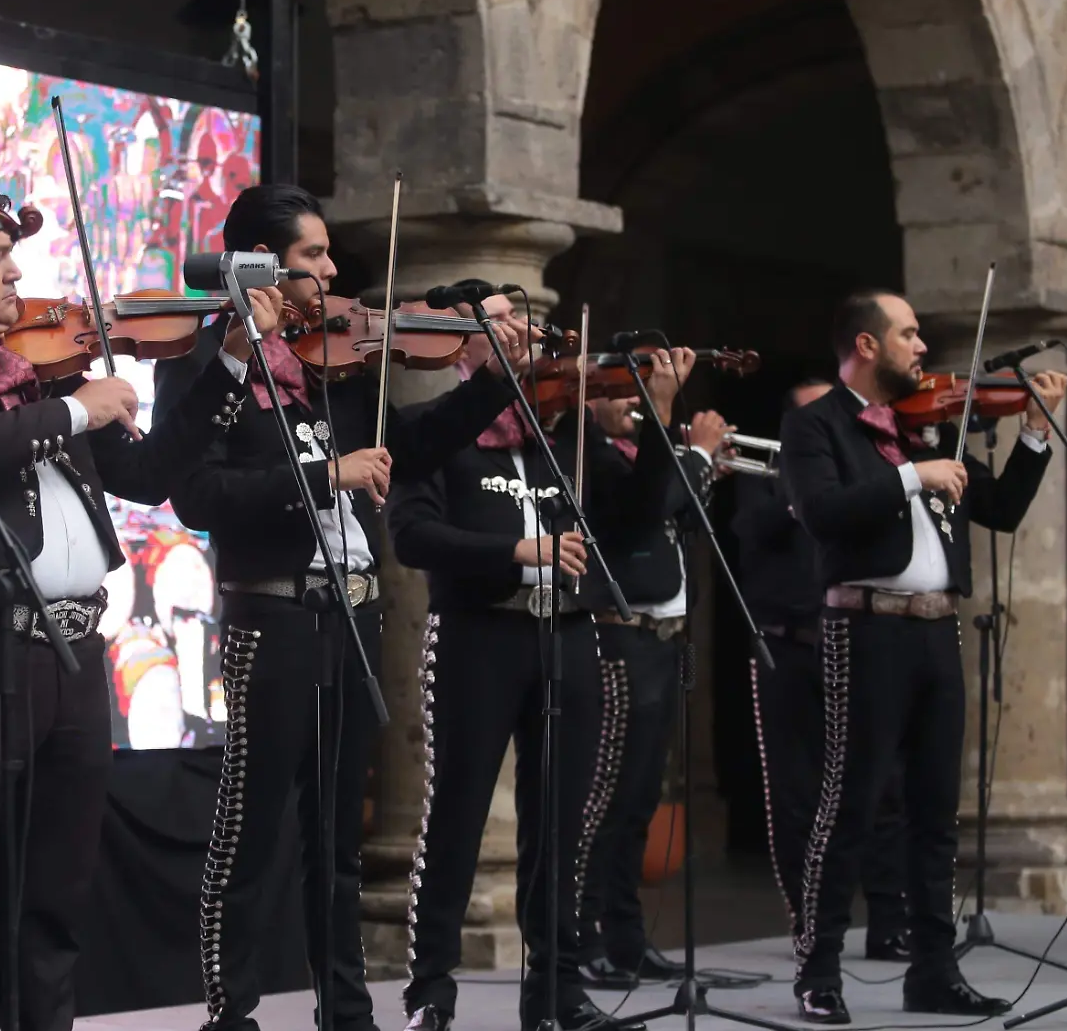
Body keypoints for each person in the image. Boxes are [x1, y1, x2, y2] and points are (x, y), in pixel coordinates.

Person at [0, 177, 280, 1031]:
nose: (14, 280)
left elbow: (149, 477)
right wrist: (74, 411)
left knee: (54, 900)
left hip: (69, 657)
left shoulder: (34, 368)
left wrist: (226, 360)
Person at [163, 184, 532, 1031]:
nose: (332, 273)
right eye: (312, 258)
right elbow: (197, 494)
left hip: (353, 614)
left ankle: (347, 1010)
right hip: (274, 614)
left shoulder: (340, 365)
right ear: (259, 265)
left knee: (337, 836)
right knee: (254, 824)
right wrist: (326, 477)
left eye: (329, 256)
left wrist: (493, 381)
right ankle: (231, 1010)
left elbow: (414, 443)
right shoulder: (205, 362)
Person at [387, 339, 694, 1031]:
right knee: (457, 817)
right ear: (464, 350)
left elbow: (639, 518)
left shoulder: (565, 435)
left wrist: (662, 412)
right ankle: (430, 990)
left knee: (562, 821)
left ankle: (556, 989)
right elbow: (412, 537)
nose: (527, 345)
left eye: (533, 334)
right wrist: (516, 553)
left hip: (566, 634)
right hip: (477, 634)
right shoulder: (438, 432)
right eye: (500, 326)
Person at [779, 291, 1067, 1024]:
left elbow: (996, 509)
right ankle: (818, 971)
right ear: (867, 346)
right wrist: (913, 478)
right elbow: (822, 512)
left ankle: (933, 971)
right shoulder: (816, 426)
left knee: (937, 810)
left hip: (938, 632)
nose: (921, 348)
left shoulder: (928, 430)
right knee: (852, 800)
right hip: (865, 627)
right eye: (908, 334)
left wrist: (1035, 432)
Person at [729, 378, 911, 963]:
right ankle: (807, 923)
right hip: (788, 648)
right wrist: (805, 493)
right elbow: (751, 534)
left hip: (856, 640)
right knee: (796, 794)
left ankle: (890, 921)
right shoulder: (764, 478)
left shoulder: (865, 470)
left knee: (883, 785)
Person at [574, 390, 728, 987]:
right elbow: (643, 508)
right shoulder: (598, 458)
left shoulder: (646, 455)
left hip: (663, 640)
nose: (629, 407)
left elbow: (683, 515)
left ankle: (626, 937)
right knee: (603, 801)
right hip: (620, 637)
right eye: (616, 395)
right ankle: (581, 937)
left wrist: (702, 466)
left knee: (641, 802)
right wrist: (696, 457)